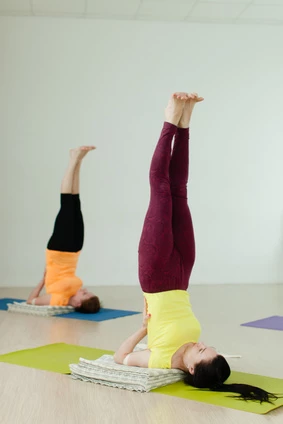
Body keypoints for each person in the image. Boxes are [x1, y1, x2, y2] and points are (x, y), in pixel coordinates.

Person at [114, 93, 277, 402]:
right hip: (182, 272)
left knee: (159, 186)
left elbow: (121, 358)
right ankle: (185, 125)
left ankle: (170, 119)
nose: (199, 345)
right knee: (179, 192)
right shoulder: (193, 345)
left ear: (190, 369)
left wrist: (142, 331)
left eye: (200, 351)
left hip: (156, 275)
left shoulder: (160, 359)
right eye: (206, 346)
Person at [27, 146, 101, 314]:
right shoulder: (75, 289)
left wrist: (42, 281)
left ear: (77, 304)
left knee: (66, 203)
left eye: (85, 295)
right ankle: (79, 160)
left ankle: (73, 159)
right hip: (74, 251)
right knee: (75, 203)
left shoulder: (58, 299)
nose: (85, 290)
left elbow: (31, 301)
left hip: (58, 250)